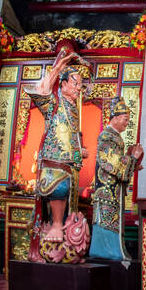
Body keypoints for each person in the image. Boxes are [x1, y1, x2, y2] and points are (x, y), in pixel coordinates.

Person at [28, 53, 88, 242]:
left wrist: (80, 150)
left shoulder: (73, 109)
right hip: (54, 165)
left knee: (68, 195)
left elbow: (71, 135)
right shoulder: (54, 103)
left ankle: (61, 226)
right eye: (75, 83)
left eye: (80, 84)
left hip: (69, 166)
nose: (79, 88)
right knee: (58, 190)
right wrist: (58, 67)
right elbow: (42, 90)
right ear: (63, 84)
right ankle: (55, 225)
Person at [89, 97, 143, 261]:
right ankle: (105, 251)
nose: (127, 123)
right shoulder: (106, 137)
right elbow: (112, 163)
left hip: (113, 191)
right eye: (125, 119)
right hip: (106, 191)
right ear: (116, 117)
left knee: (112, 221)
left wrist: (132, 163)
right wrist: (132, 158)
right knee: (106, 222)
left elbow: (118, 164)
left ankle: (112, 251)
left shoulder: (114, 137)